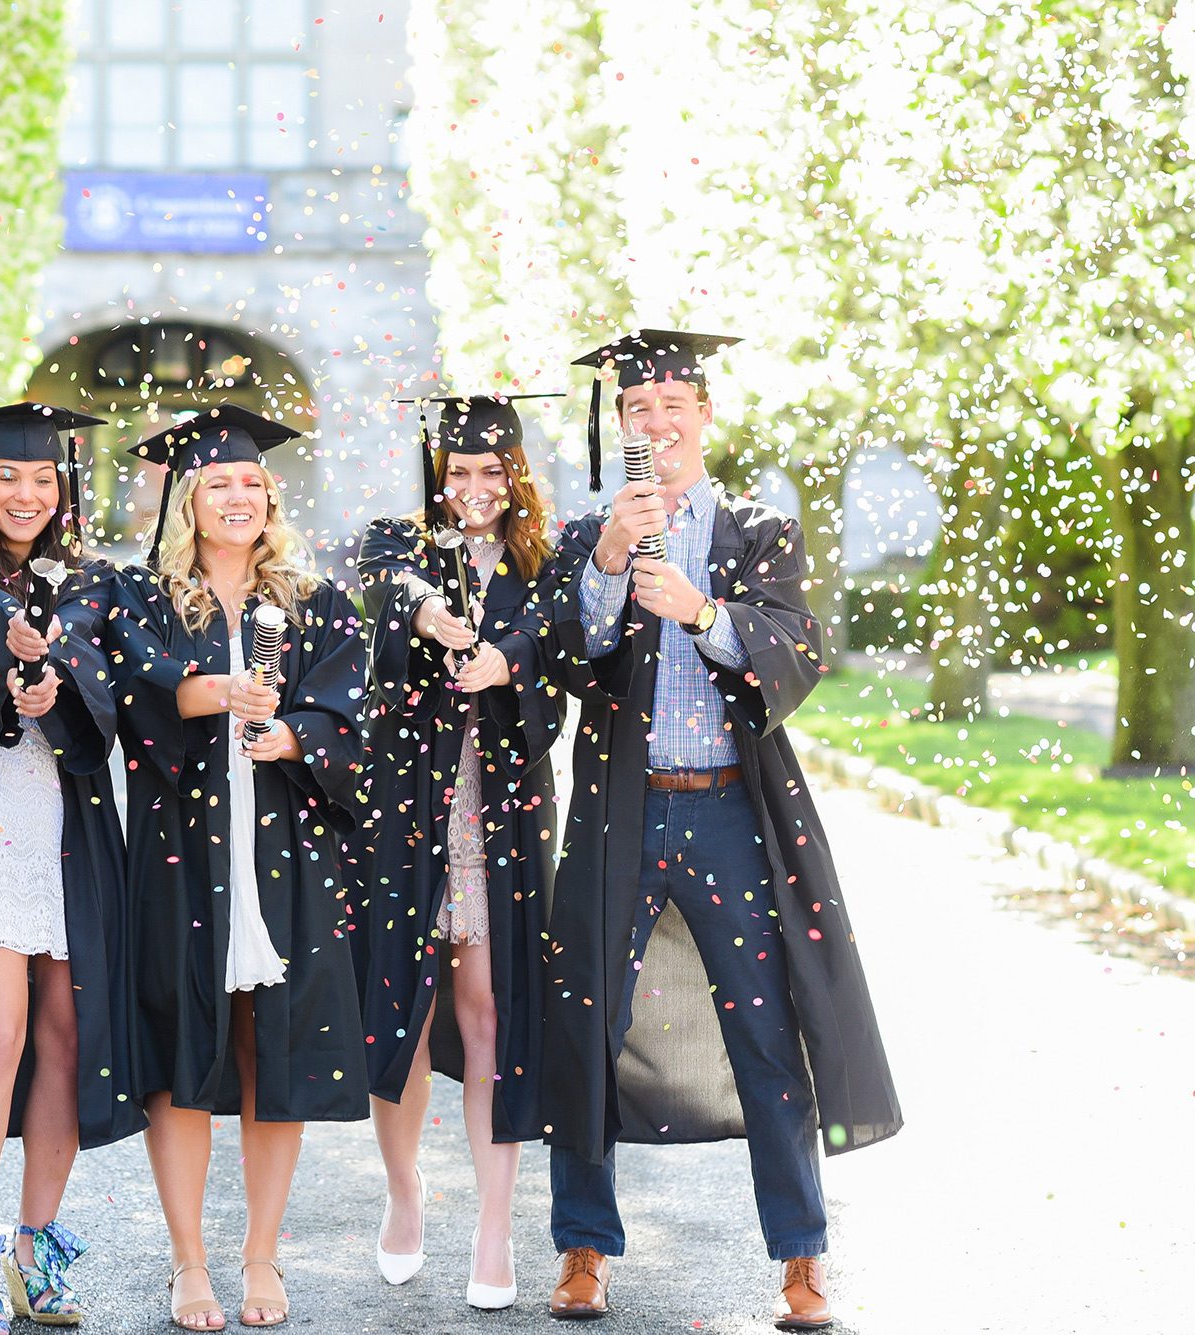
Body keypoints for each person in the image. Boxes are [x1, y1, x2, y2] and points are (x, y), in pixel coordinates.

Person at [538, 329, 903, 1329]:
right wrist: (610, 565)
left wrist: (700, 612)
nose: (655, 425)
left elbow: (794, 654)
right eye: (636, 411)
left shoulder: (757, 530)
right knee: (585, 1024)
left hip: (727, 813)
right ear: (618, 428)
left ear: (702, 416)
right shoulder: (588, 533)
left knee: (764, 1030)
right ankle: (582, 1247)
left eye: (671, 408)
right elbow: (566, 660)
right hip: (620, 808)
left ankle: (799, 1259)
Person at [106, 404, 369, 1331]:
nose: (238, 494)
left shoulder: (315, 600)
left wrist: (291, 732)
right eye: (218, 481)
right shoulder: (141, 598)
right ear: (186, 497)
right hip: (182, 856)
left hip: (286, 854)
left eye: (252, 481)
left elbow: (352, 714)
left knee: (274, 1047)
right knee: (184, 1053)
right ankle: (190, 1263)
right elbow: (133, 695)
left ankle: (261, 1255)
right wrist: (211, 693)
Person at [0, 401, 142, 1335]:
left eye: (43, 478)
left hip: (71, 834)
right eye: (8, 476)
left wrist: (58, 685)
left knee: (66, 1039)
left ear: (66, 487)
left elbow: (107, 701)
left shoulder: (97, 585)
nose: (25, 493)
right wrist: (8, 647)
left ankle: (33, 1257)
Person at [355, 394, 568, 1312]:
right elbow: (388, 588)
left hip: (503, 816)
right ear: (435, 473)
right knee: (403, 1008)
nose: (475, 489)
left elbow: (557, 650)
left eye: (492, 472)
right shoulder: (394, 542)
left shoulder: (544, 563)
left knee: (489, 1010)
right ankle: (405, 1190)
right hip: (409, 811)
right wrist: (435, 616)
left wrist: (509, 659)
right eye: (459, 472)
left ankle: (493, 1221)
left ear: (514, 474)